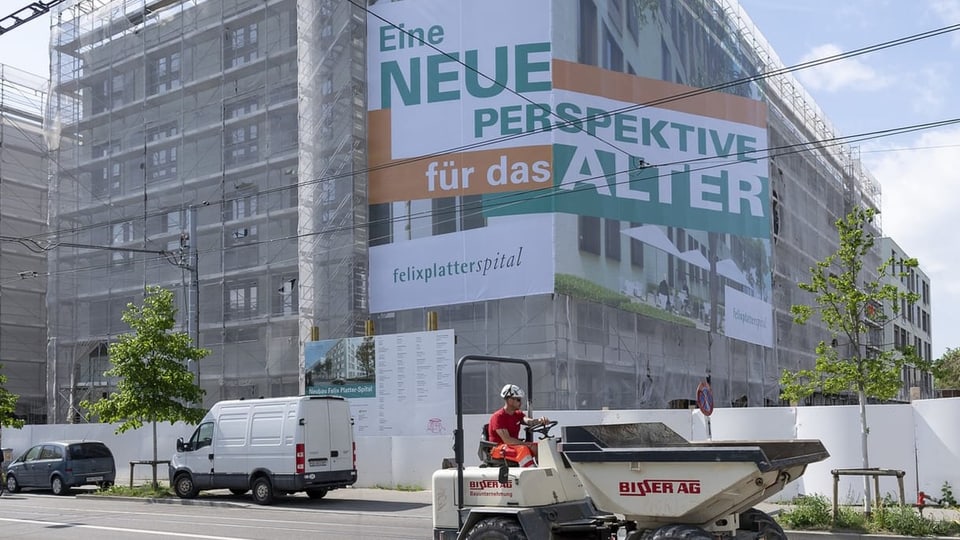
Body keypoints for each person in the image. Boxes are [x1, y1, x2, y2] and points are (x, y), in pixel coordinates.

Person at [488, 384, 549, 467]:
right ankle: (531, 473)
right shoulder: (498, 417)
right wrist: (526, 444)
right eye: (518, 399)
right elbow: (507, 440)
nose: (521, 402)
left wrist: (540, 421)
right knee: (523, 450)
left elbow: (529, 421)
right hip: (497, 450)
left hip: (512, 447)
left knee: (540, 446)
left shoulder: (517, 414)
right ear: (510, 400)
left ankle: (544, 470)